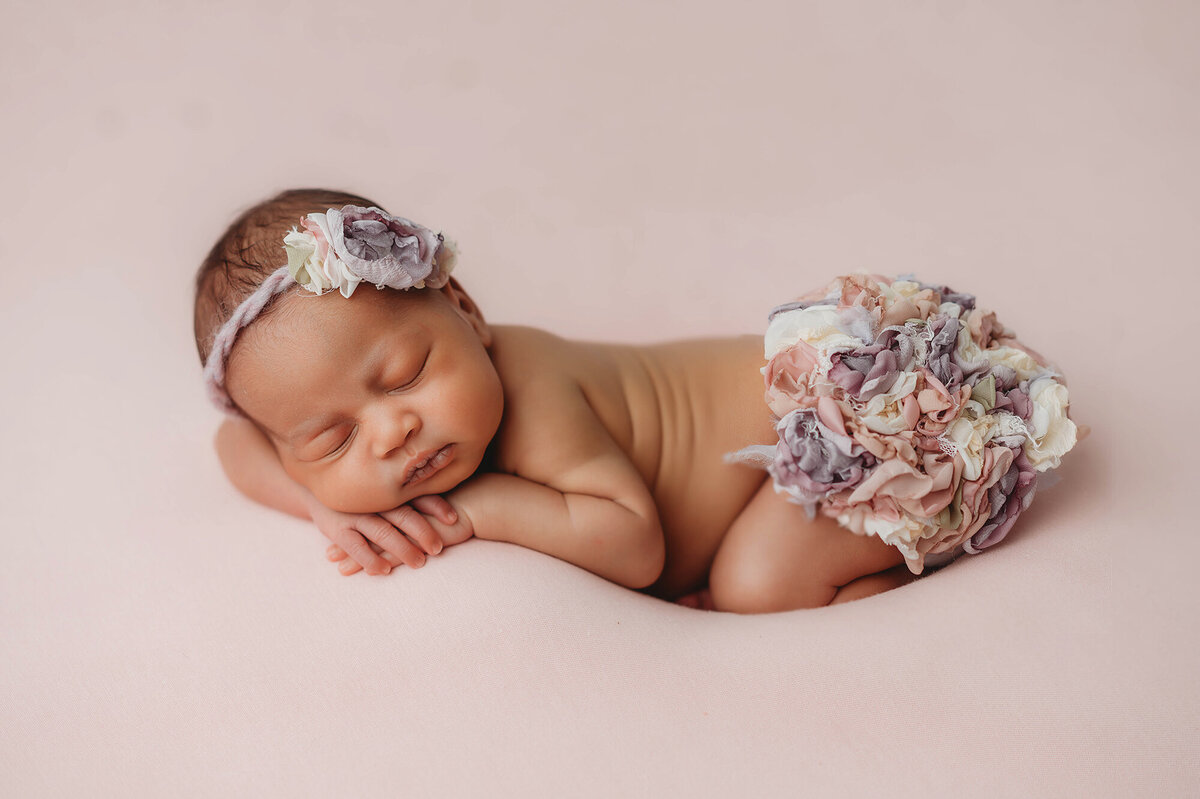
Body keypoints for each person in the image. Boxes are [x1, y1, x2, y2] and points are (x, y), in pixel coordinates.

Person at [194, 188, 1081, 613]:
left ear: (468, 312)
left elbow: (635, 544)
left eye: (406, 375)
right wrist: (317, 501)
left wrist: (477, 508)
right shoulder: (324, 442)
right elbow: (236, 449)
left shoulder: (531, 390)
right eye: (331, 436)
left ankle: (921, 575)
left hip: (848, 437)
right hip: (780, 462)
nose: (393, 430)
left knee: (754, 584)